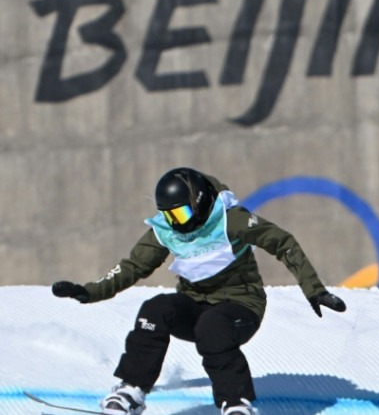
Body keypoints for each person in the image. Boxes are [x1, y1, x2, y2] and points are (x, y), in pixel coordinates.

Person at [51, 167, 346, 415]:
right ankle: (131, 389)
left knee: (213, 326)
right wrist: (89, 291)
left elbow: (283, 242)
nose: (174, 224)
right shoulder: (167, 230)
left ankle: (236, 403)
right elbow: (132, 267)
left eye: (179, 215)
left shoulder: (232, 220)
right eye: (167, 216)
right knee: (155, 311)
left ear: (200, 201)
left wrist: (314, 290)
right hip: (196, 305)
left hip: (241, 306)